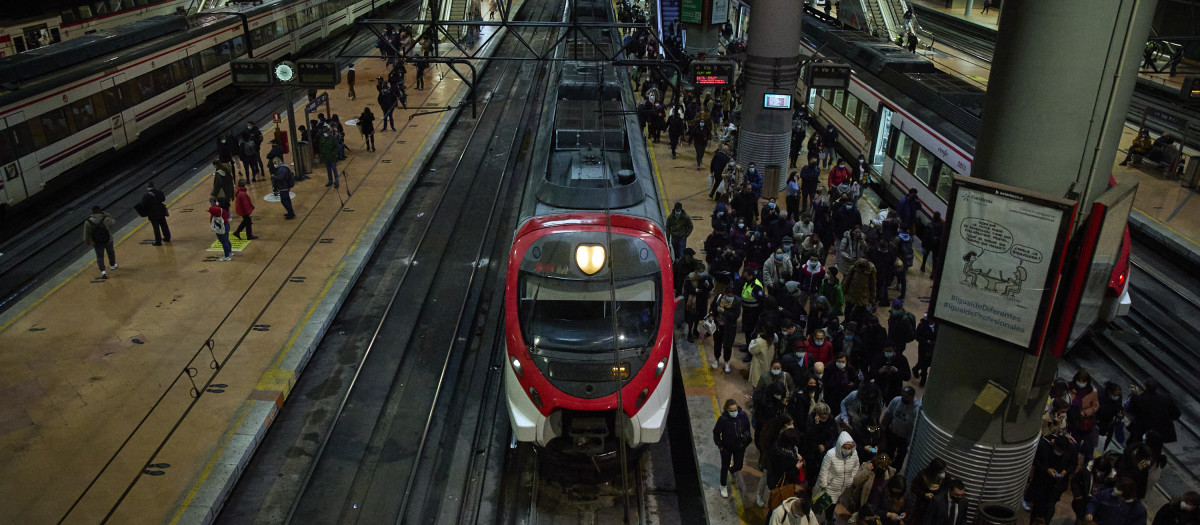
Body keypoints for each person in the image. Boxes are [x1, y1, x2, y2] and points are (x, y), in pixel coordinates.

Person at [1027, 435, 1075, 522]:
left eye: (1061, 452)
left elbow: (1073, 465)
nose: (1059, 453)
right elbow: (1035, 461)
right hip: (1041, 483)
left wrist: (1066, 471)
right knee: (1037, 508)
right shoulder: (1044, 446)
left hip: (1057, 486)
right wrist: (1046, 470)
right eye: (1058, 450)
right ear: (1054, 444)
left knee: (1050, 508)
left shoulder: (1070, 449)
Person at [713, 399, 753, 498]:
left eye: (735, 410)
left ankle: (732, 470)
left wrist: (745, 439)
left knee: (739, 465)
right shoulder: (723, 420)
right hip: (726, 448)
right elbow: (716, 433)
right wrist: (720, 446)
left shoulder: (742, 416)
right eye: (731, 410)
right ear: (727, 410)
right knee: (724, 467)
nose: (734, 412)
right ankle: (723, 486)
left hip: (739, 446)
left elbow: (747, 429)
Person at [817, 431, 861, 520]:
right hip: (832, 485)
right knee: (830, 504)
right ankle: (828, 519)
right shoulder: (831, 454)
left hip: (846, 486)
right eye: (845, 448)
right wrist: (823, 484)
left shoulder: (854, 454)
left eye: (849, 448)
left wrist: (852, 478)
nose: (847, 450)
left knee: (838, 502)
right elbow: (824, 470)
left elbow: (856, 466)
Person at [1125, 379, 1182, 445]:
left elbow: (1130, 410)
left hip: (1142, 431)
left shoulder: (1140, 399)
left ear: (1145, 387)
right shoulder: (1165, 399)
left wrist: (1134, 396)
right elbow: (1176, 414)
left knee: (1133, 445)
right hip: (1160, 433)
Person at [883, 387, 920, 465]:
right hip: (892, 432)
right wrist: (883, 426)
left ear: (912, 397)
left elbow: (915, 427)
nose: (904, 398)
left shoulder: (916, 409)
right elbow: (888, 414)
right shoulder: (896, 400)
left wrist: (910, 440)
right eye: (903, 395)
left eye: (906, 397)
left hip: (904, 438)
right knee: (888, 451)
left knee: (900, 457)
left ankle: (895, 470)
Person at [711, 289, 741, 372]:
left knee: (728, 345)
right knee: (717, 342)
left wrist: (724, 311)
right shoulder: (719, 297)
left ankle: (726, 361)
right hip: (718, 326)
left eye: (732, 296)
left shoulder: (737, 302)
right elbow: (712, 307)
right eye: (728, 296)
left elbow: (735, 315)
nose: (730, 298)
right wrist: (712, 315)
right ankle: (716, 359)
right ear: (725, 294)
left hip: (729, 327)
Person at [83, 205, 117, 279]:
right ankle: (112, 265)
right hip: (108, 239)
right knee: (110, 252)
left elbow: (86, 235)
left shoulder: (88, 222)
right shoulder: (105, 218)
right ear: (100, 211)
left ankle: (103, 271)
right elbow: (113, 223)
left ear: (92, 212)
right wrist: (107, 214)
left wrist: (89, 242)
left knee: (100, 256)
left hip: (97, 242)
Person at [136, 181, 170, 245]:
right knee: (164, 225)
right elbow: (163, 199)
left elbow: (143, 205)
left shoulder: (146, 195)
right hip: (161, 211)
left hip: (153, 214)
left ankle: (158, 242)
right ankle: (167, 238)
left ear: (147, 187)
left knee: (156, 228)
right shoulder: (159, 191)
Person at [912, 313, 937, 386]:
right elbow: (917, 336)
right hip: (924, 348)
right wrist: (925, 341)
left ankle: (915, 369)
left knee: (928, 362)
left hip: (933, 348)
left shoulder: (938, 325)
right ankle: (923, 380)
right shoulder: (922, 325)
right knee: (924, 365)